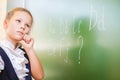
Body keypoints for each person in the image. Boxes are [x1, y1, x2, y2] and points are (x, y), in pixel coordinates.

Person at [0, 7, 44, 80]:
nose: (22, 26)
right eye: (18, 21)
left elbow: (39, 76)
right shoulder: (1, 50)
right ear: (5, 24)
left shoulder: (23, 54)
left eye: (27, 25)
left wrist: (29, 49)